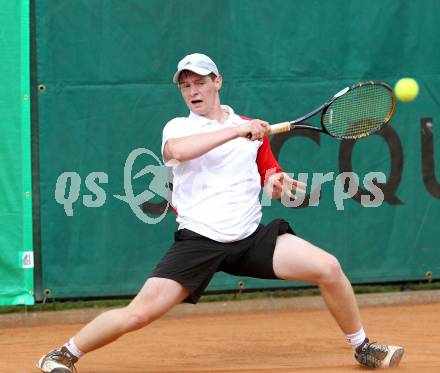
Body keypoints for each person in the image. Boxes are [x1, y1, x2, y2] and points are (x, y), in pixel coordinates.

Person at [36, 53, 404, 372]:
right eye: (186, 86)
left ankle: (363, 347)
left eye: (200, 82)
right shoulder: (179, 127)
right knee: (139, 314)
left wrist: (276, 183)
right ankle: (63, 353)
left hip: (249, 237)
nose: (193, 91)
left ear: (217, 82)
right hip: (199, 241)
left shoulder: (252, 130)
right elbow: (178, 152)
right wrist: (234, 132)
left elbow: (269, 174)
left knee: (329, 268)